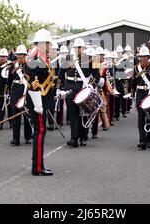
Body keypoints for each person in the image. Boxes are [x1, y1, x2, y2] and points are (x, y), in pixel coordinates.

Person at [57, 37, 100, 148]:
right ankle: (74, 138)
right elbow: (61, 74)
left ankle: (83, 137)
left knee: (84, 113)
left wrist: (91, 85)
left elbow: (97, 76)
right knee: (72, 114)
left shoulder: (91, 59)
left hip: (83, 87)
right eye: (76, 47)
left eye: (80, 47)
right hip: (70, 86)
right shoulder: (68, 58)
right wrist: (60, 88)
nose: (78, 49)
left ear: (84, 48)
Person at [24, 29, 55, 176]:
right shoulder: (36, 58)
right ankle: (37, 167)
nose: (49, 46)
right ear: (42, 44)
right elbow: (33, 83)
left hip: (42, 100)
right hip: (38, 101)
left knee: (39, 132)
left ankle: (38, 164)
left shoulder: (40, 57)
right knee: (40, 132)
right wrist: (38, 105)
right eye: (47, 43)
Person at [130, 46, 150, 150]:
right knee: (141, 117)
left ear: (149, 57)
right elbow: (133, 83)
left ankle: (149, 139)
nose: (143, 58)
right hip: (140, 93)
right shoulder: (136, 68)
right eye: (142, 57)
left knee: (149, 117)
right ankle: (142, 140)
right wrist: (132, 95)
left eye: (145, 56)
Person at [8, 44, 32, 145]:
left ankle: (27, 137)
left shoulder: (30, 65)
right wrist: (8, 93)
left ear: (25, 55)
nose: (20, 56)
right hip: (15, 90)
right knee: (15, 114)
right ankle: (15, 138)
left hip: (26, 89)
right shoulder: (12, 65)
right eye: (18, 55)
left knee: (26, 114)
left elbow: (31, 78)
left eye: (22, 55)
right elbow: (9, 80)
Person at [0, 48, 9, 130]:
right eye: (1, 56)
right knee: (0, 107)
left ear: (7, 57)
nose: (2, 58)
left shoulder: (9, 66)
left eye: (4, 56)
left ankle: (12, 122)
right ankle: (0, 123)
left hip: (8, 90)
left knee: (11, 107)